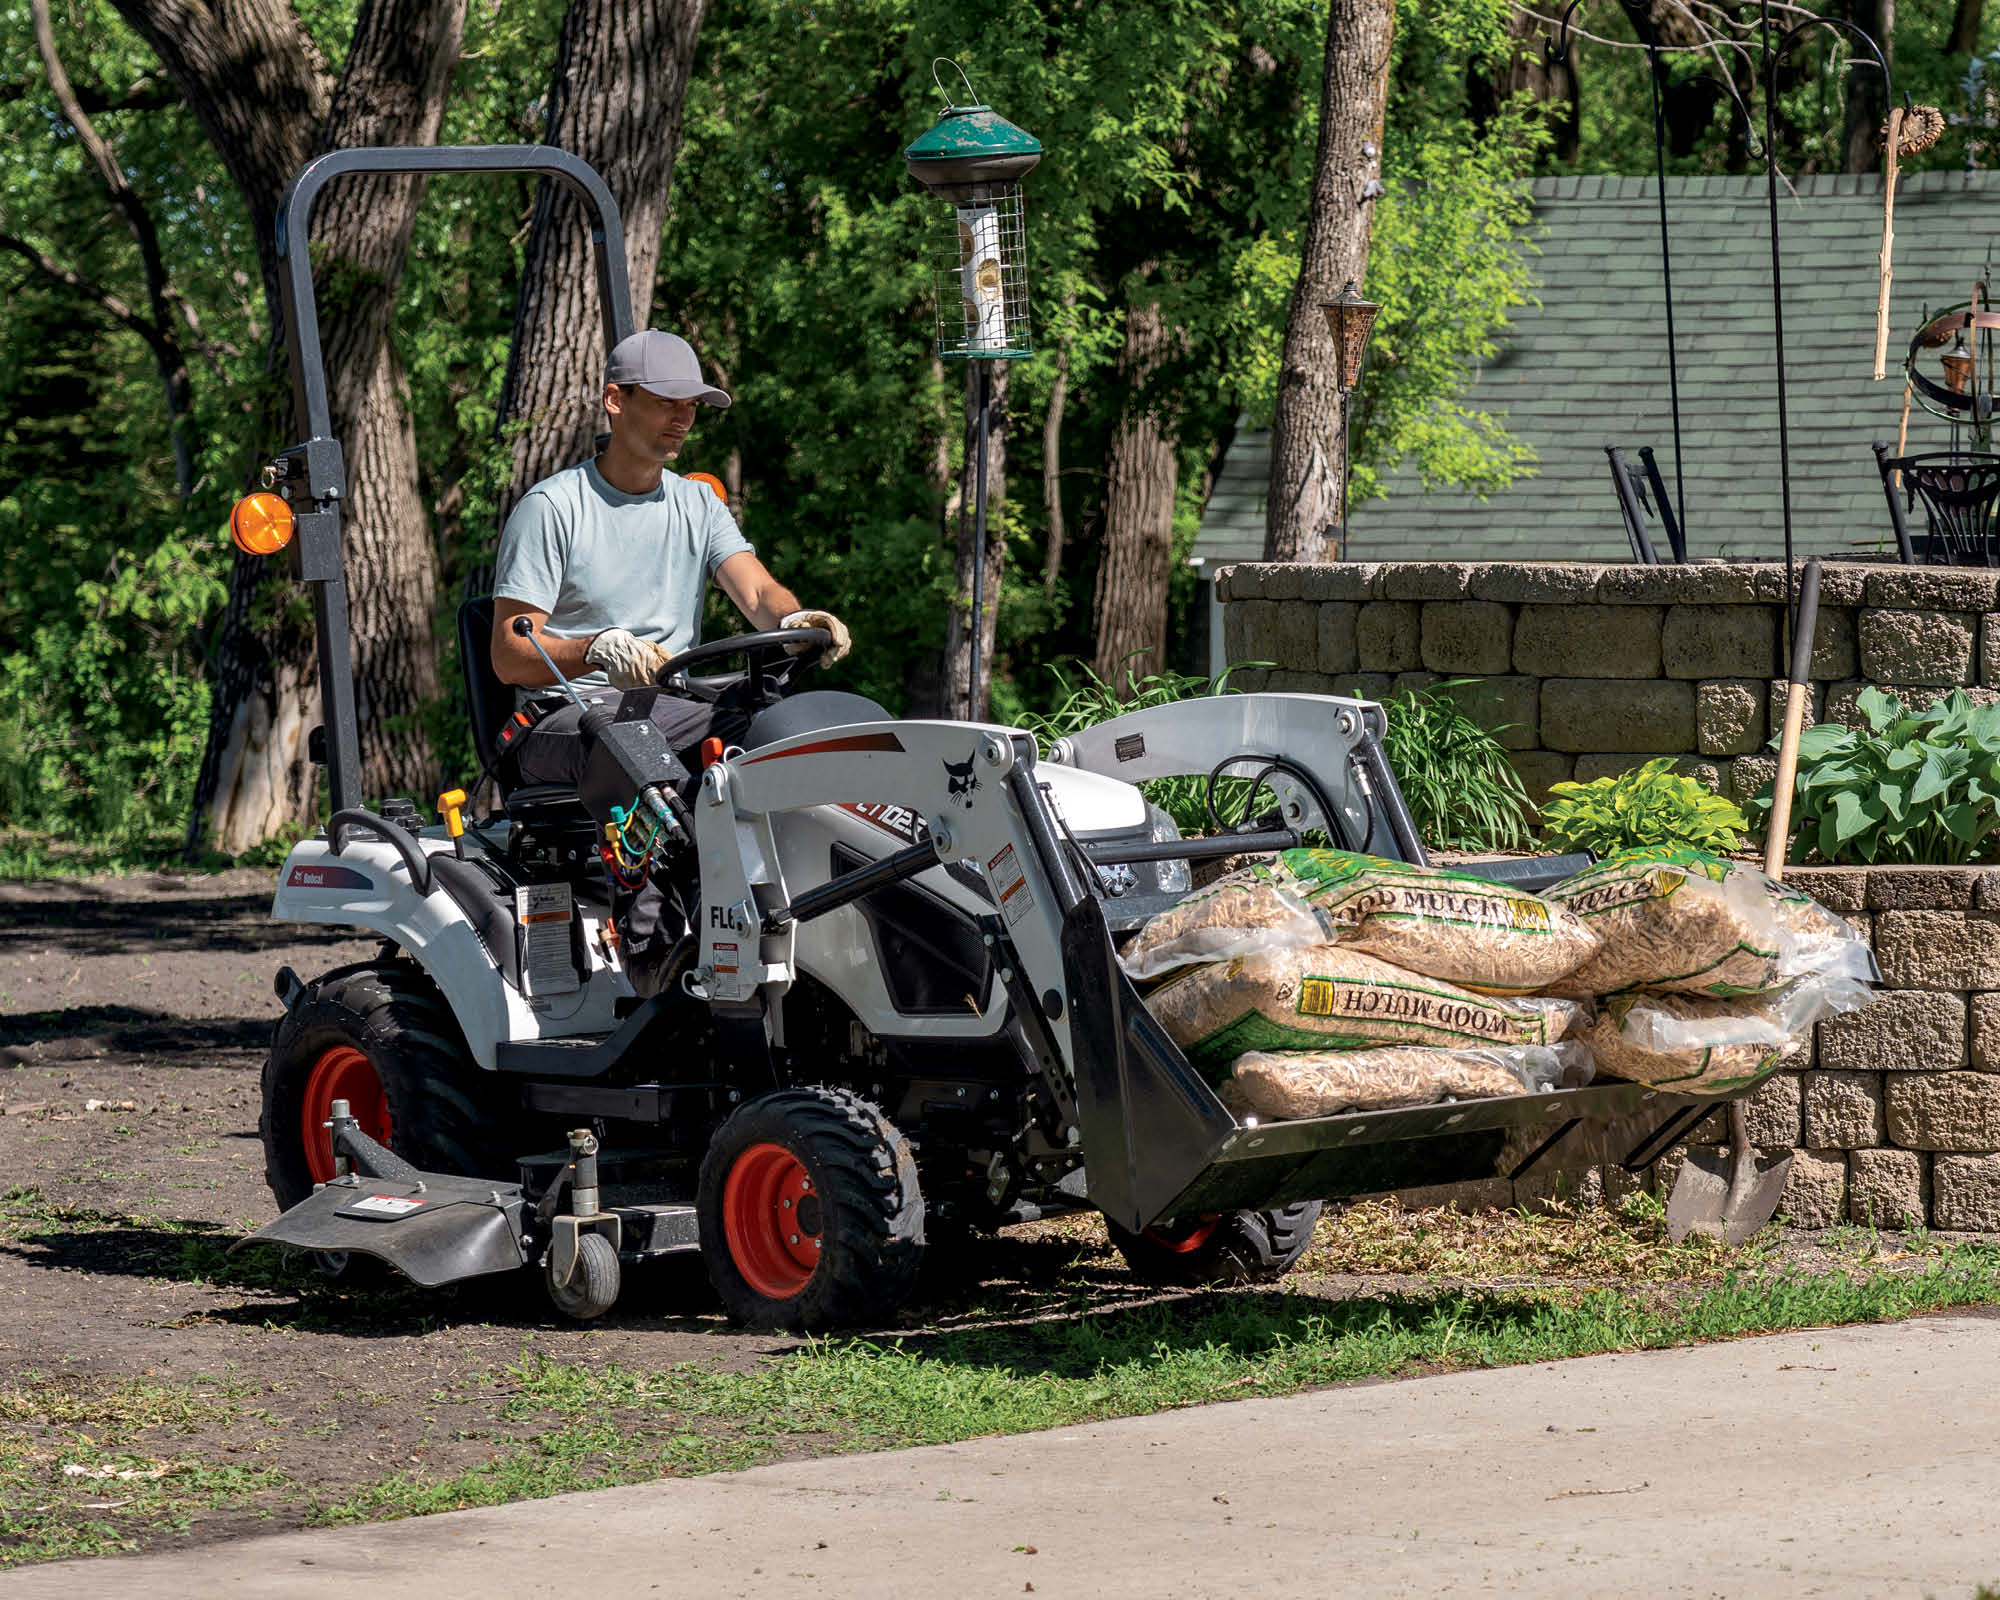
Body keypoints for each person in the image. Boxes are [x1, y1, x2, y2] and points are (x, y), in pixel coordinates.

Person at [490, 328, 850, 993]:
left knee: (785, 731)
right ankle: (654, 965)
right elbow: (510, 655)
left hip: (664, 706)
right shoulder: (553, 509)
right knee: (635, 747)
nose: (683, 418)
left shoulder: (696, 504)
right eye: (666, 401)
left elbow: (759, 591)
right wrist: (594, 647)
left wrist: (797, 620)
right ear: (615, 401)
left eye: (692, 405)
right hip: (561, 719)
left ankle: (821, 929)